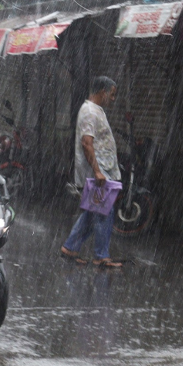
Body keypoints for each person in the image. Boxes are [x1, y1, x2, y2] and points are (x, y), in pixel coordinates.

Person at [61, 76, 122, 268]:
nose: (113, 99)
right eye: (112, 95)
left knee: (93, 210)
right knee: (105, 211)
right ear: (102, 92)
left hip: (103, 169)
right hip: (99, 170)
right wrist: (97, 171)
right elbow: (87, 143)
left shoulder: (96, 110)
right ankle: (101, 255)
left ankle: (70, 247)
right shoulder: (89, 111)